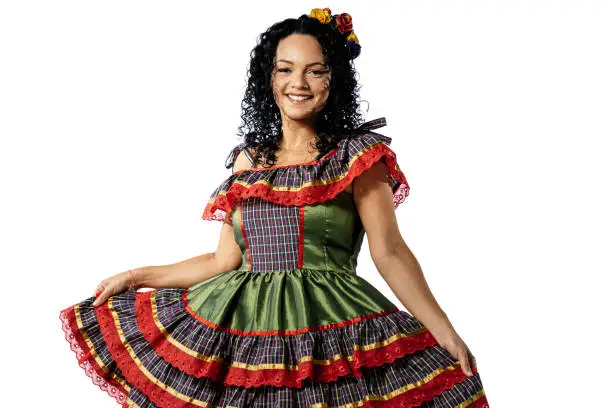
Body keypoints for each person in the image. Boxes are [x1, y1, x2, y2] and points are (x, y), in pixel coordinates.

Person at [59, 8, 489, 407]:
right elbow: (223, 259)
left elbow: (389, 252)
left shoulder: (357, 156)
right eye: (285, 70)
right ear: (269, 78)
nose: (297, 83)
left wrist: (444, 331)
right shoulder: (248, 161)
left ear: (333, 79)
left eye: (314, 71)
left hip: (329, 332)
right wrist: (136, 277)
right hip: (245, 334)